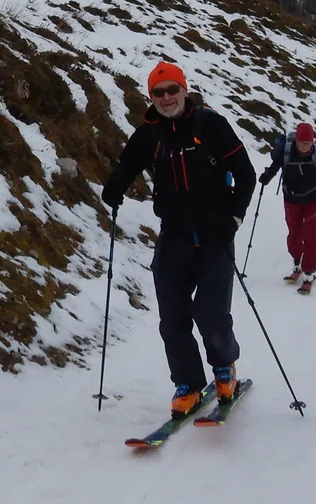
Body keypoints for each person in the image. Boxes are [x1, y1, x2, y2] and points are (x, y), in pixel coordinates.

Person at [102, 61, 257, 414]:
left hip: (215, 235)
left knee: (210, 312)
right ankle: (187, 383)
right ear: (151, 97)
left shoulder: (210, 125)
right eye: (159, 92)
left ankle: (224, 367)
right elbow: (127, 165)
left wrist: (232, 217)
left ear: (185, 90)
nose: (167, 97)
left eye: (173, 89)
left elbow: (245, 175)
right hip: (174, 234)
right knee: (172, 316)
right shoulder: (150, 133)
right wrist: (114, 187)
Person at [259, 121, 316, 293]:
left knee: (309, 234)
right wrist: (267, 176)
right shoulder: (287, 151)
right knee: (294, 233)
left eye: (308, 143)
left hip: (313, 198)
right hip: (291, 198)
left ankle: (309, 272)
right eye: (302, 143)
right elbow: (275, 166)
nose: (305, 146)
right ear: (296, 141)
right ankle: (297, 263)